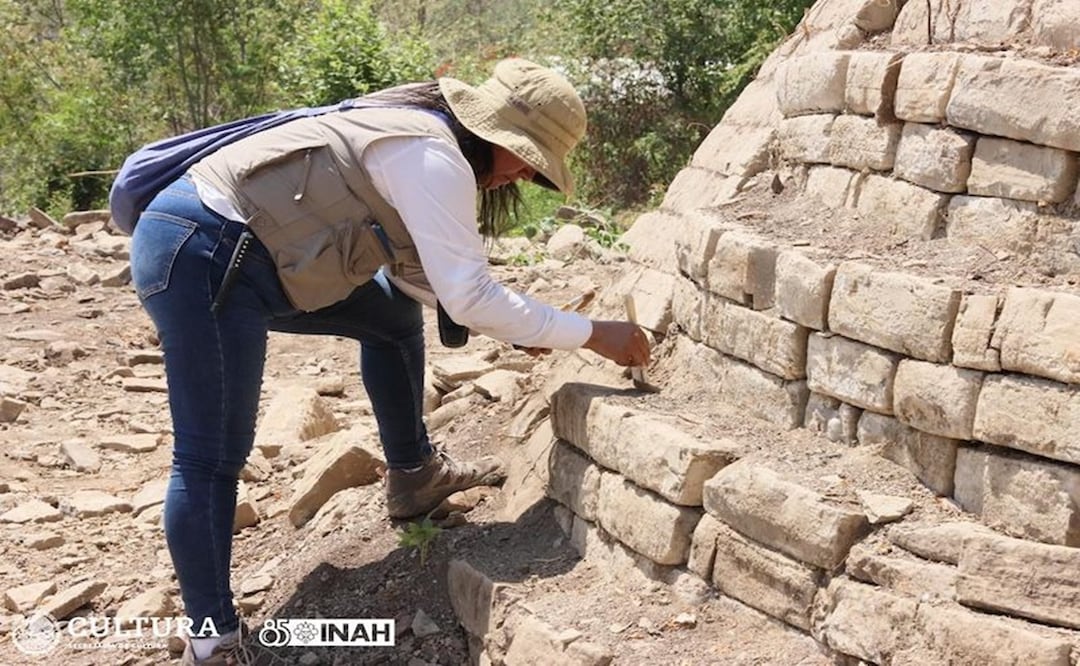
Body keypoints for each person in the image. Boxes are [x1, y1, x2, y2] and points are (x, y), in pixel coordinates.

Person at [127, 58, 651, 665]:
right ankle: (212, 639)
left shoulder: (420, 134)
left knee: (390, 317)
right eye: (523, 161)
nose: (517, 177)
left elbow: (423, 278)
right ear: (491, 135)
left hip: (237, 252)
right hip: (207, 254)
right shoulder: (432, 155)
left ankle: (414, 476)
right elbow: (470, 294)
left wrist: (515, 329)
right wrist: (591, 334)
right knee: (210, 455)